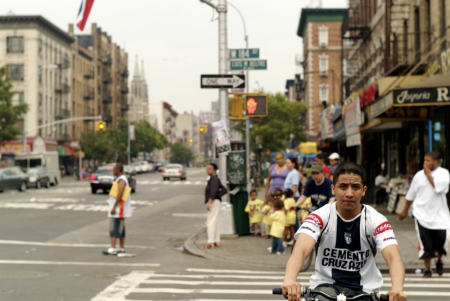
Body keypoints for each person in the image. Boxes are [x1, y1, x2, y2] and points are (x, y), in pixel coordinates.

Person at [282, 162, 407, 301]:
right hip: (325, 289)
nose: (349, 193)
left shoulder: (376, 220)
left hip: (365, 292)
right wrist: (290, 279)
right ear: (333, 189)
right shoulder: (319, 216)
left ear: (364, 190)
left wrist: (397, 289)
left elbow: (393, 257)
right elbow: (301, 250)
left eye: (355, 187)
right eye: (343, 187)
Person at [399, 152, 450, 278]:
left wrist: (428, 175)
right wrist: (404, 211)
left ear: (436, 162)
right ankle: (427, 268)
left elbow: (439, 188)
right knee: (425, 243)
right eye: (424, 160)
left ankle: (439, 260)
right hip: (421, 215)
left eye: (428, 160)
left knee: (441, 242)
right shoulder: (418, 176)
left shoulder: (443, 174)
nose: (425, 163)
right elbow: (411, 195)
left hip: (440, 216)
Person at [103, 163, 132, 255]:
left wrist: (114, 207)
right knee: (120, 229)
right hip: (119, 209)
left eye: (114, 169)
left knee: (114, 228)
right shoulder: (121, 179)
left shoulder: (121, 180)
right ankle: (121, 248)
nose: (113, 171)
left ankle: (113, 247)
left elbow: (120, 193)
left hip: (118, 209)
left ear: (118, 170)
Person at [204, 163, 224, 249]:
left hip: (213, 202)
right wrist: (218, 196)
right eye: (207, 168)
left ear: (214, 170)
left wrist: (210, 201)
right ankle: (216, 240)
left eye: (210, 169)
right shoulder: (215, 179)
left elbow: (213, 191)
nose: (208, 170)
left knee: (211, 222)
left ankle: (210, 242)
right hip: (215, 201)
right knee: (215, 221)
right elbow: (224, 190)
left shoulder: (214, 180)